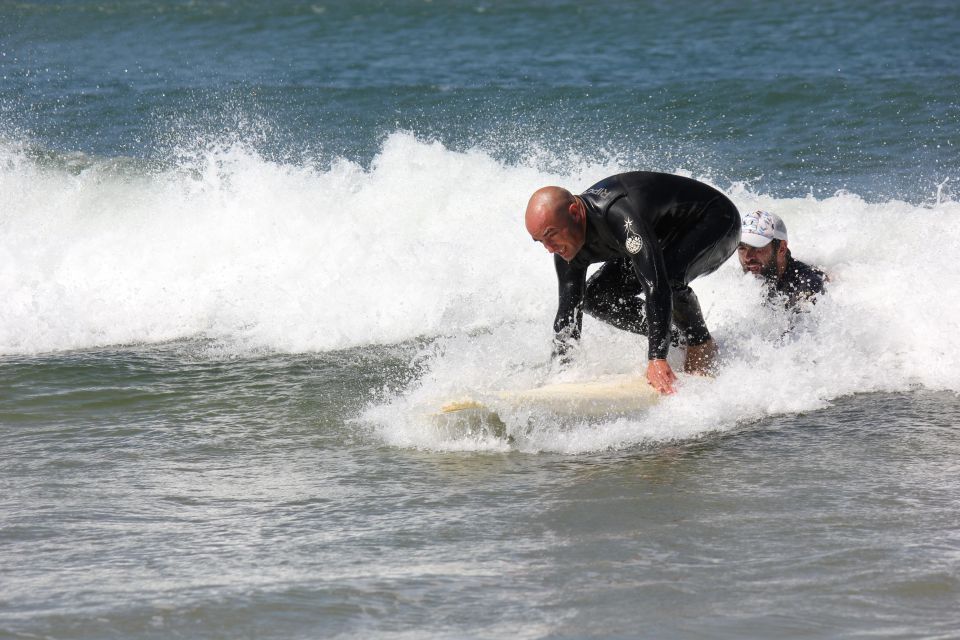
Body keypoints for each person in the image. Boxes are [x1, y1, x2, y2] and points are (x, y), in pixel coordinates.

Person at [524, 171, 741, 395]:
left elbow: (655, 284)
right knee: (594, 298)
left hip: (715, 220)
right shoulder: (565, 245)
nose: (550, 248)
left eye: (551, 234)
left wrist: (656, 358)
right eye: (540, 241)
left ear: (575, 213)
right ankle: (678, 336)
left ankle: (700, 343)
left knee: (667, 276)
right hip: (660, 235)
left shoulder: (618, 215)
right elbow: (568, 311)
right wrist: (560, 373)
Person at [737, 210, 826, 308]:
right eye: (742, 248)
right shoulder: (737, 280)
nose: (747, 257)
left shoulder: (807, 285)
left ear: (782, 249)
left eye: (757, 247)